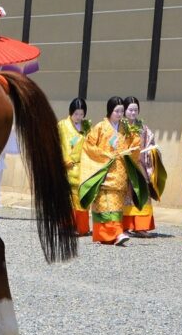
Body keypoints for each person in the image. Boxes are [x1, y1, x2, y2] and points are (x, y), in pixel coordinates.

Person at [78, 96, 147, 246]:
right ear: (110, 111)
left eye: (122, 111)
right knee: (106, 205)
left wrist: (135, 143)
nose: (120, 114)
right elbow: (89, 146)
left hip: (120, 173)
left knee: (116, 206)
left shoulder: (125, 128)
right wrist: (106, 155)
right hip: (104, 172)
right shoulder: (100, 127)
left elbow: (132, 146)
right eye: (117, 111)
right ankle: (116, 233)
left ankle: (108, 236)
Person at [121, 96, 165, 237]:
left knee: (142, 194)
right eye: (130, 110)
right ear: (124, 110)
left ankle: (141, 226)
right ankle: (125, 226)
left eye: (136, 110)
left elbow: (150, 142)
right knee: (126, 197)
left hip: (141, 165)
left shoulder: (143, 128)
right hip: (124, 165)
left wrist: (151, 151)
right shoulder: (120, 127)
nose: (133, 113)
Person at [58, 98, 92, 236]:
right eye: (76, 114)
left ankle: (82, 227)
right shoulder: (62, 125)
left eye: (81, 114)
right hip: (67, 166)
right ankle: (67, 226)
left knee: (82, 197)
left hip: (82, 166)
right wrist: (65, 161)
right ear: (70, 112)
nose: (79, 117)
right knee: (68, 198)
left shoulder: (86, 126)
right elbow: (60, 144)